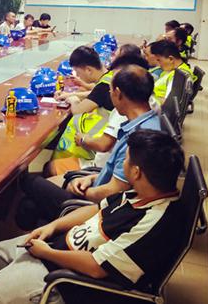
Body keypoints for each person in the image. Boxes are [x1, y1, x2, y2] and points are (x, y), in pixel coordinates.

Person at [0, 129, 184, 304]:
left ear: (136, 172)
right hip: (57, 249)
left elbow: (97, 268)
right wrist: (52, 227)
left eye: (126, 159)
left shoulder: (157, 223)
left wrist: (47, 253)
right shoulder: (141, 192)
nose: (122, 163)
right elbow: (95, 210)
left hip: (67, 282)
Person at [16, 64, 160, 231]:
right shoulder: (148, 121)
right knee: (29, 204)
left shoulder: (138, 138)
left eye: (111, 91)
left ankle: (42, 236)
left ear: (118, 93)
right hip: (96, 181)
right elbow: (120, 177)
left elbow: (115, 190)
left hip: (97, 204)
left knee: (28, 181)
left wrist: (85, 192)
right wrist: (91, 178)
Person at [50, 46, 114, 173]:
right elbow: (94, 93)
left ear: (88, 70)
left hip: (94, 150)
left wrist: (73, 99)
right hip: (103, 145)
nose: (78, 76)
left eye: (78, 73)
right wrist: (70, 94)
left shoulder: (103, 87)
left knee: (50, 167)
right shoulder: (110, 76)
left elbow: (78, 110)